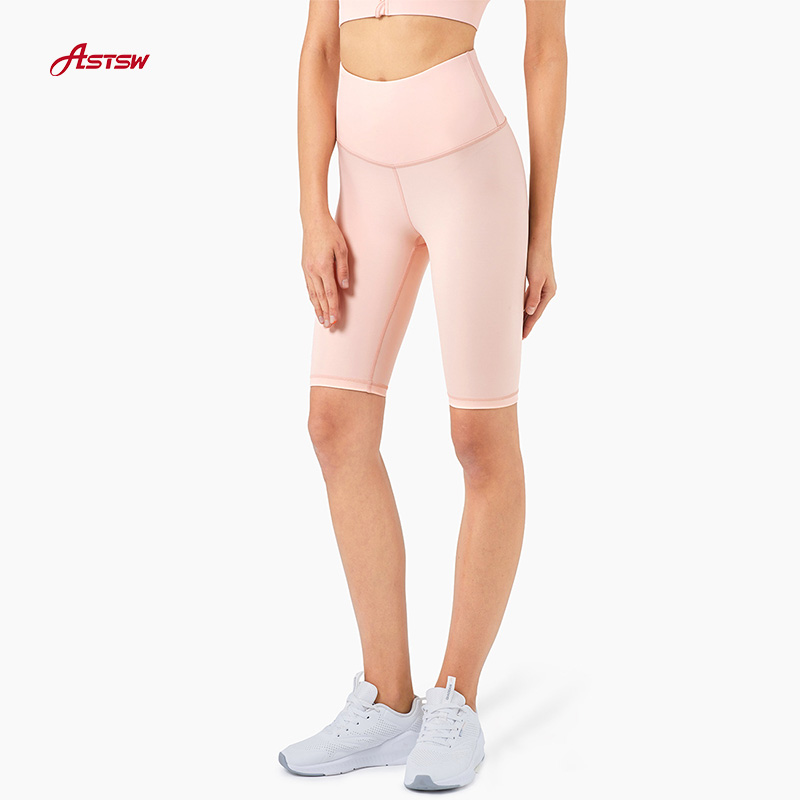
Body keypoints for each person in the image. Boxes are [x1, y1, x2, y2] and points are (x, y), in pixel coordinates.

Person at [281, 0, 567, 790]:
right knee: (335, 424)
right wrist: (312, 209)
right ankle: (387, 699)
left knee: (480, 440)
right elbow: (319, 45)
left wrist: (541, 229)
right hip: (363, 178)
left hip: (468, 170)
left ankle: (456, 698)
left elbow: (545, 51)